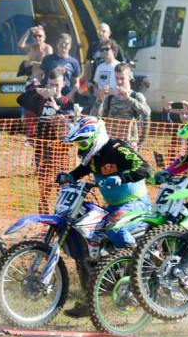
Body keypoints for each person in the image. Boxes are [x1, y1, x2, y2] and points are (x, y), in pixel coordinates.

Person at [55, 116, 150, 317]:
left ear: (95, 137)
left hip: (135, 204)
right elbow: (85, 168)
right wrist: (70, 176)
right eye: (78, 144)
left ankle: (140, 265)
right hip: (113, 206)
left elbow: (144, 168)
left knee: (115, 228)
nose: (80, 147)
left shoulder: (117, 148)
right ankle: (89, 298)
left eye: (82, 142)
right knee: (85, 242)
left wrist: (121, 177)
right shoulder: (94, 157)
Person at [18, 68, 74, 214]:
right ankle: (44, 216)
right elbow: (20, 100)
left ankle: (61, 213)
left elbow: (73, 120)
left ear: (63, 84)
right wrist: (37, 91)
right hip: (41, 148)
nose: (53, 88)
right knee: (44, 183)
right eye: (50, 84)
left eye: (56, 84)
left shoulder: (67, 102)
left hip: (61, 150)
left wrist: (58, 110)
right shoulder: (39, 100)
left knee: (61, 183)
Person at [91, 62, 150, 147]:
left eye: (122, 78)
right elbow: (96, 117)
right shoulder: (110, 97)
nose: (119, 82)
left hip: (129, 145)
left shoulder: (136, 96)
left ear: (129, 76)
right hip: (110, 143)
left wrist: (128, 99)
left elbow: (147, 113)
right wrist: (100, 99)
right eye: (116, 78)